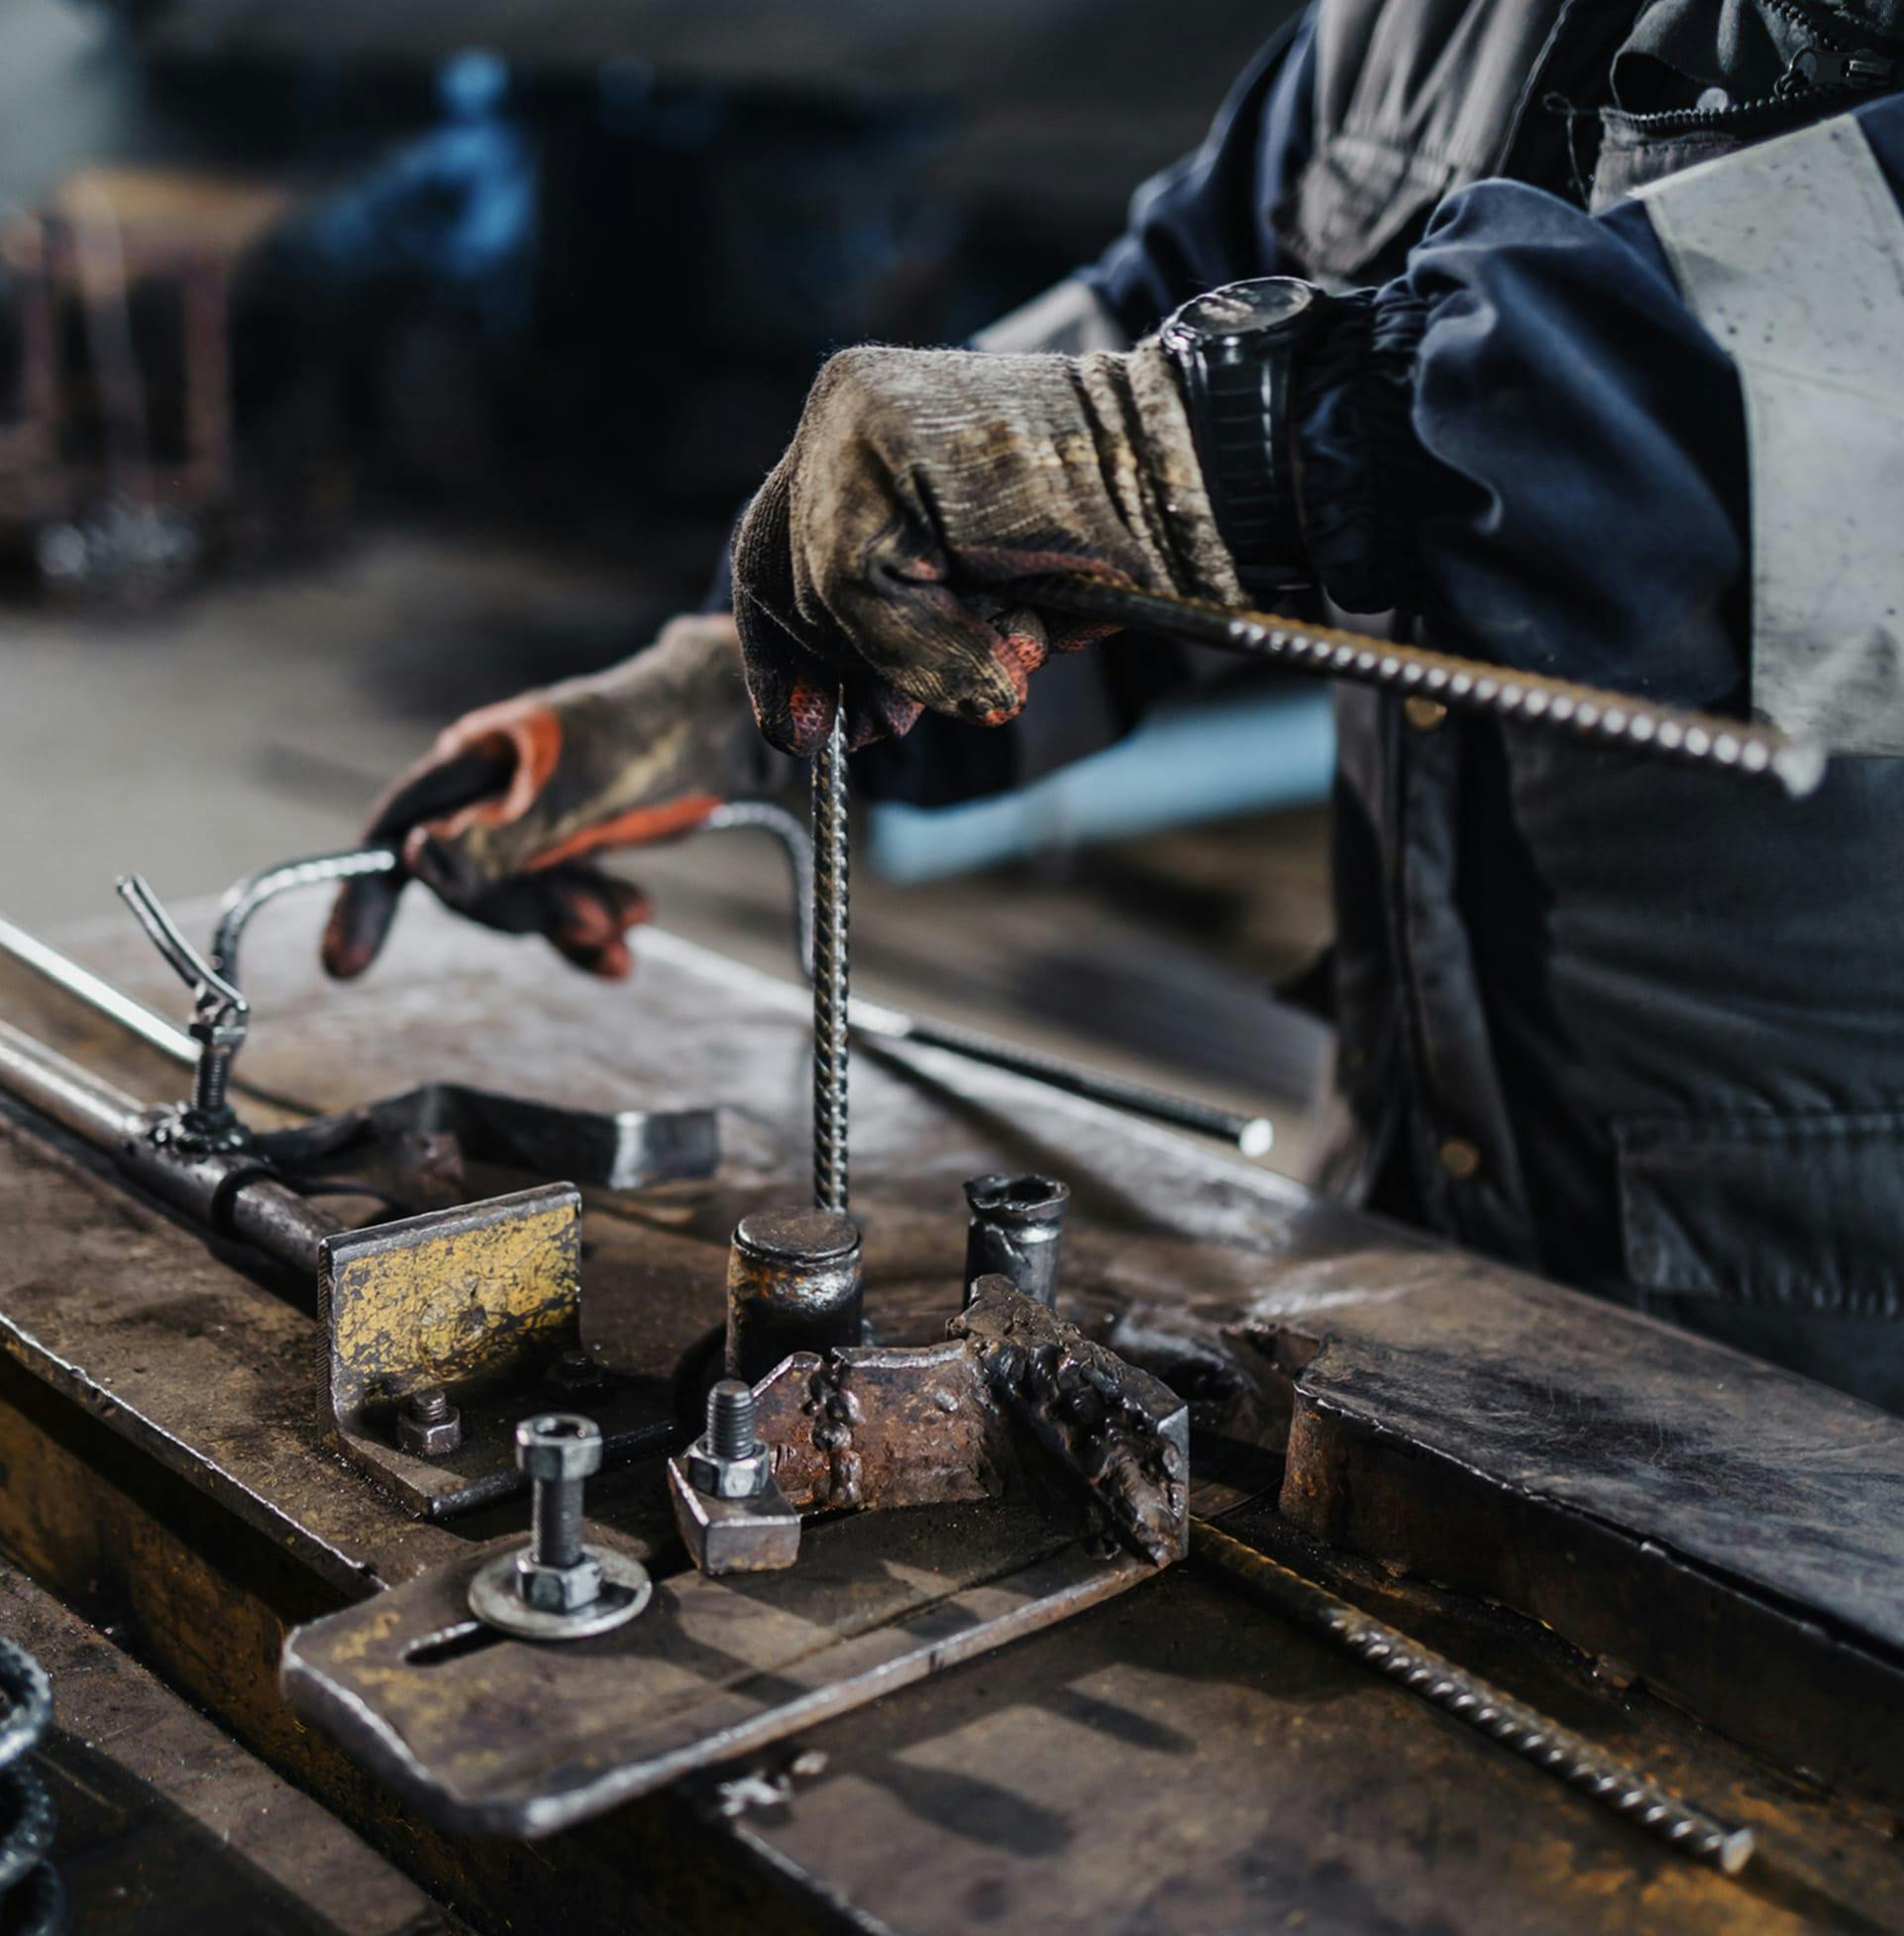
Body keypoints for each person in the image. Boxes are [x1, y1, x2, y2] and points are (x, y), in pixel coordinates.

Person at [325, 1, 1904, 1408]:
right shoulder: (1424, 22)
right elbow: (1162, 338)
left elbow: (1796, 384)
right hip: (1413, 1194)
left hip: (1822, 1315)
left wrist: (1250, 448)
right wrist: (716, 692)